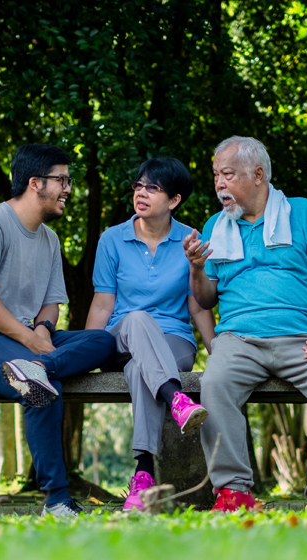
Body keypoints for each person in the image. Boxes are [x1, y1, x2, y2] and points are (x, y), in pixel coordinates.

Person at [0, 143, 116, 517]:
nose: (69, 188)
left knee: (103, 340)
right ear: (36, 183)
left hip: (25, 341)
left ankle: (37, 367)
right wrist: (30, 340)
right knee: (40, 388)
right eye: (62, 180)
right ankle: (56, 501)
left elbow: (51, 303)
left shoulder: (50, 240)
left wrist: (43, 332)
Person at [182, 136, 307, 514]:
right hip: (239, 340)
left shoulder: (303, 213)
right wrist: (196, 267)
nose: (219, 184)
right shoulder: (214, 226)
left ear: (258, 174)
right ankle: (233, 492)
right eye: (216, 175)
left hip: (303, 338)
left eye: (228, 174)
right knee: (214, 382)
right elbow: (206, 298)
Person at [84, 157, 216, 512]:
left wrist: (217, 352)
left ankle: (143, 475)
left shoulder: (191, 241)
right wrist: (86, 352)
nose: (141, 194)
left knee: (141, 370)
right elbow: (101, 304)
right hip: (121, 337)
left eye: (152, 188)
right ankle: (177, 400)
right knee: (138, 319)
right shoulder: (112, 239)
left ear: (174, 200)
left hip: (172, 343)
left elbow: (199, 305)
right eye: (138, 186)